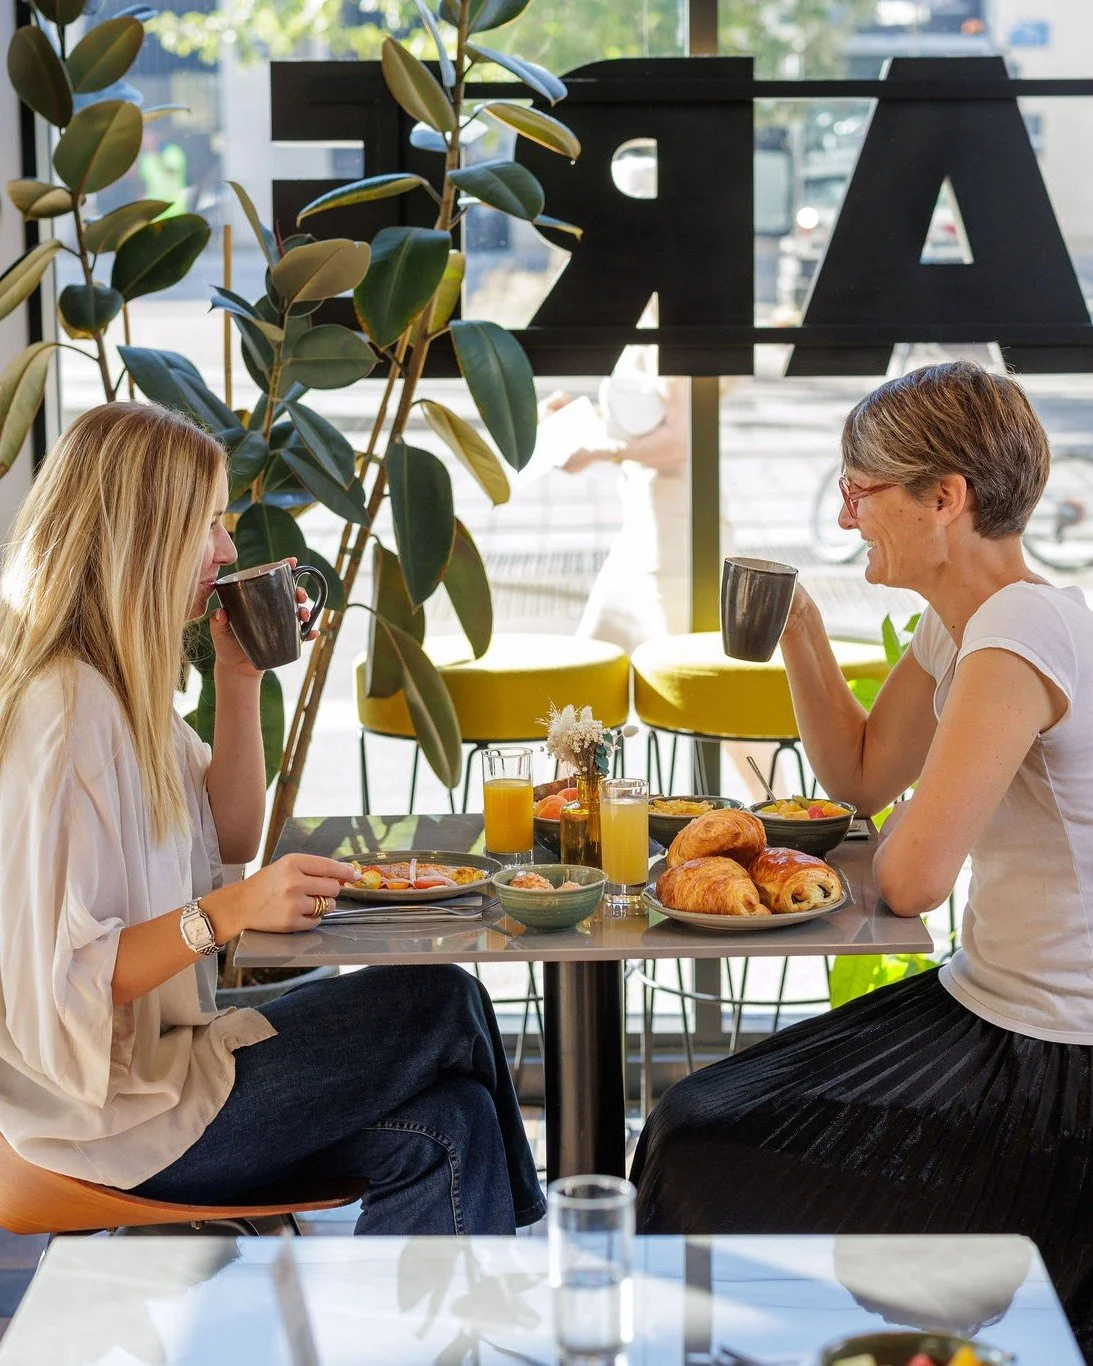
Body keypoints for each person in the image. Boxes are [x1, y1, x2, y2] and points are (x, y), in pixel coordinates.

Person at [630, 360, 1093, 1352]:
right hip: (989, 1011)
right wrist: (798, 627)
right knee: (698, 1120)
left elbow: (911, 876)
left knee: (699, 1133)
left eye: (861, 488)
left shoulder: (1020, 627)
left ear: (945, 499)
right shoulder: (960, 624)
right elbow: (862, 779)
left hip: (1052, 1066)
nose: (845, 518)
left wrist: (865, 845)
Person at [0, 402, 544, 1235]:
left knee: (450, 1126)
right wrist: (226, 912)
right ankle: (538, 1289)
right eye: (207, 524)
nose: (226, 550)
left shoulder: (114, 689)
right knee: (439, 1001)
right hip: (105, 1126)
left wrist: (239, 675)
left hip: (159, 1078)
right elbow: (64, 985)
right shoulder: (66, 712)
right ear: (141, 538)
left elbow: (225, 835)